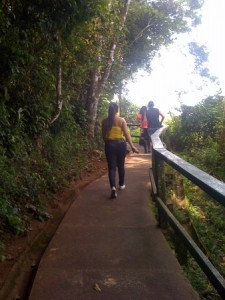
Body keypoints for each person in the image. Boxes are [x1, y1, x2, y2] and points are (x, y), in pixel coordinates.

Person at [102, 102, 139, 199]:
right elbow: (126, 134)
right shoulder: (121, 120)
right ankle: (121, 184)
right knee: (121, 165)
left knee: (111, 167)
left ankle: (113, 187)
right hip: (120, 145)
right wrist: (132, 146)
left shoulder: (104, 121)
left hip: (109, 145)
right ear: (117, 110)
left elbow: (103, 135)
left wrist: (108, 143)